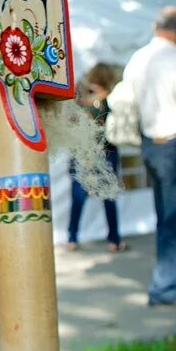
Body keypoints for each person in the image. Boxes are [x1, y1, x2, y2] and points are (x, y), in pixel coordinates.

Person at [122, 6, 176, 307]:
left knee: (166, 217)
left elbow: (127, 102)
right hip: (175, 144)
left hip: (150, 145)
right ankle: (166, 288)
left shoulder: (138, 58)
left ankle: (166, 282)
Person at [66, 63, 125, 252]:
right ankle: (114, 240)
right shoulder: (111, 99)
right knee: (108, 196)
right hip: (106, 151)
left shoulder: (80, 98)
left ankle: (72, 238)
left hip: (82, 151)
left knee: (78, 197)